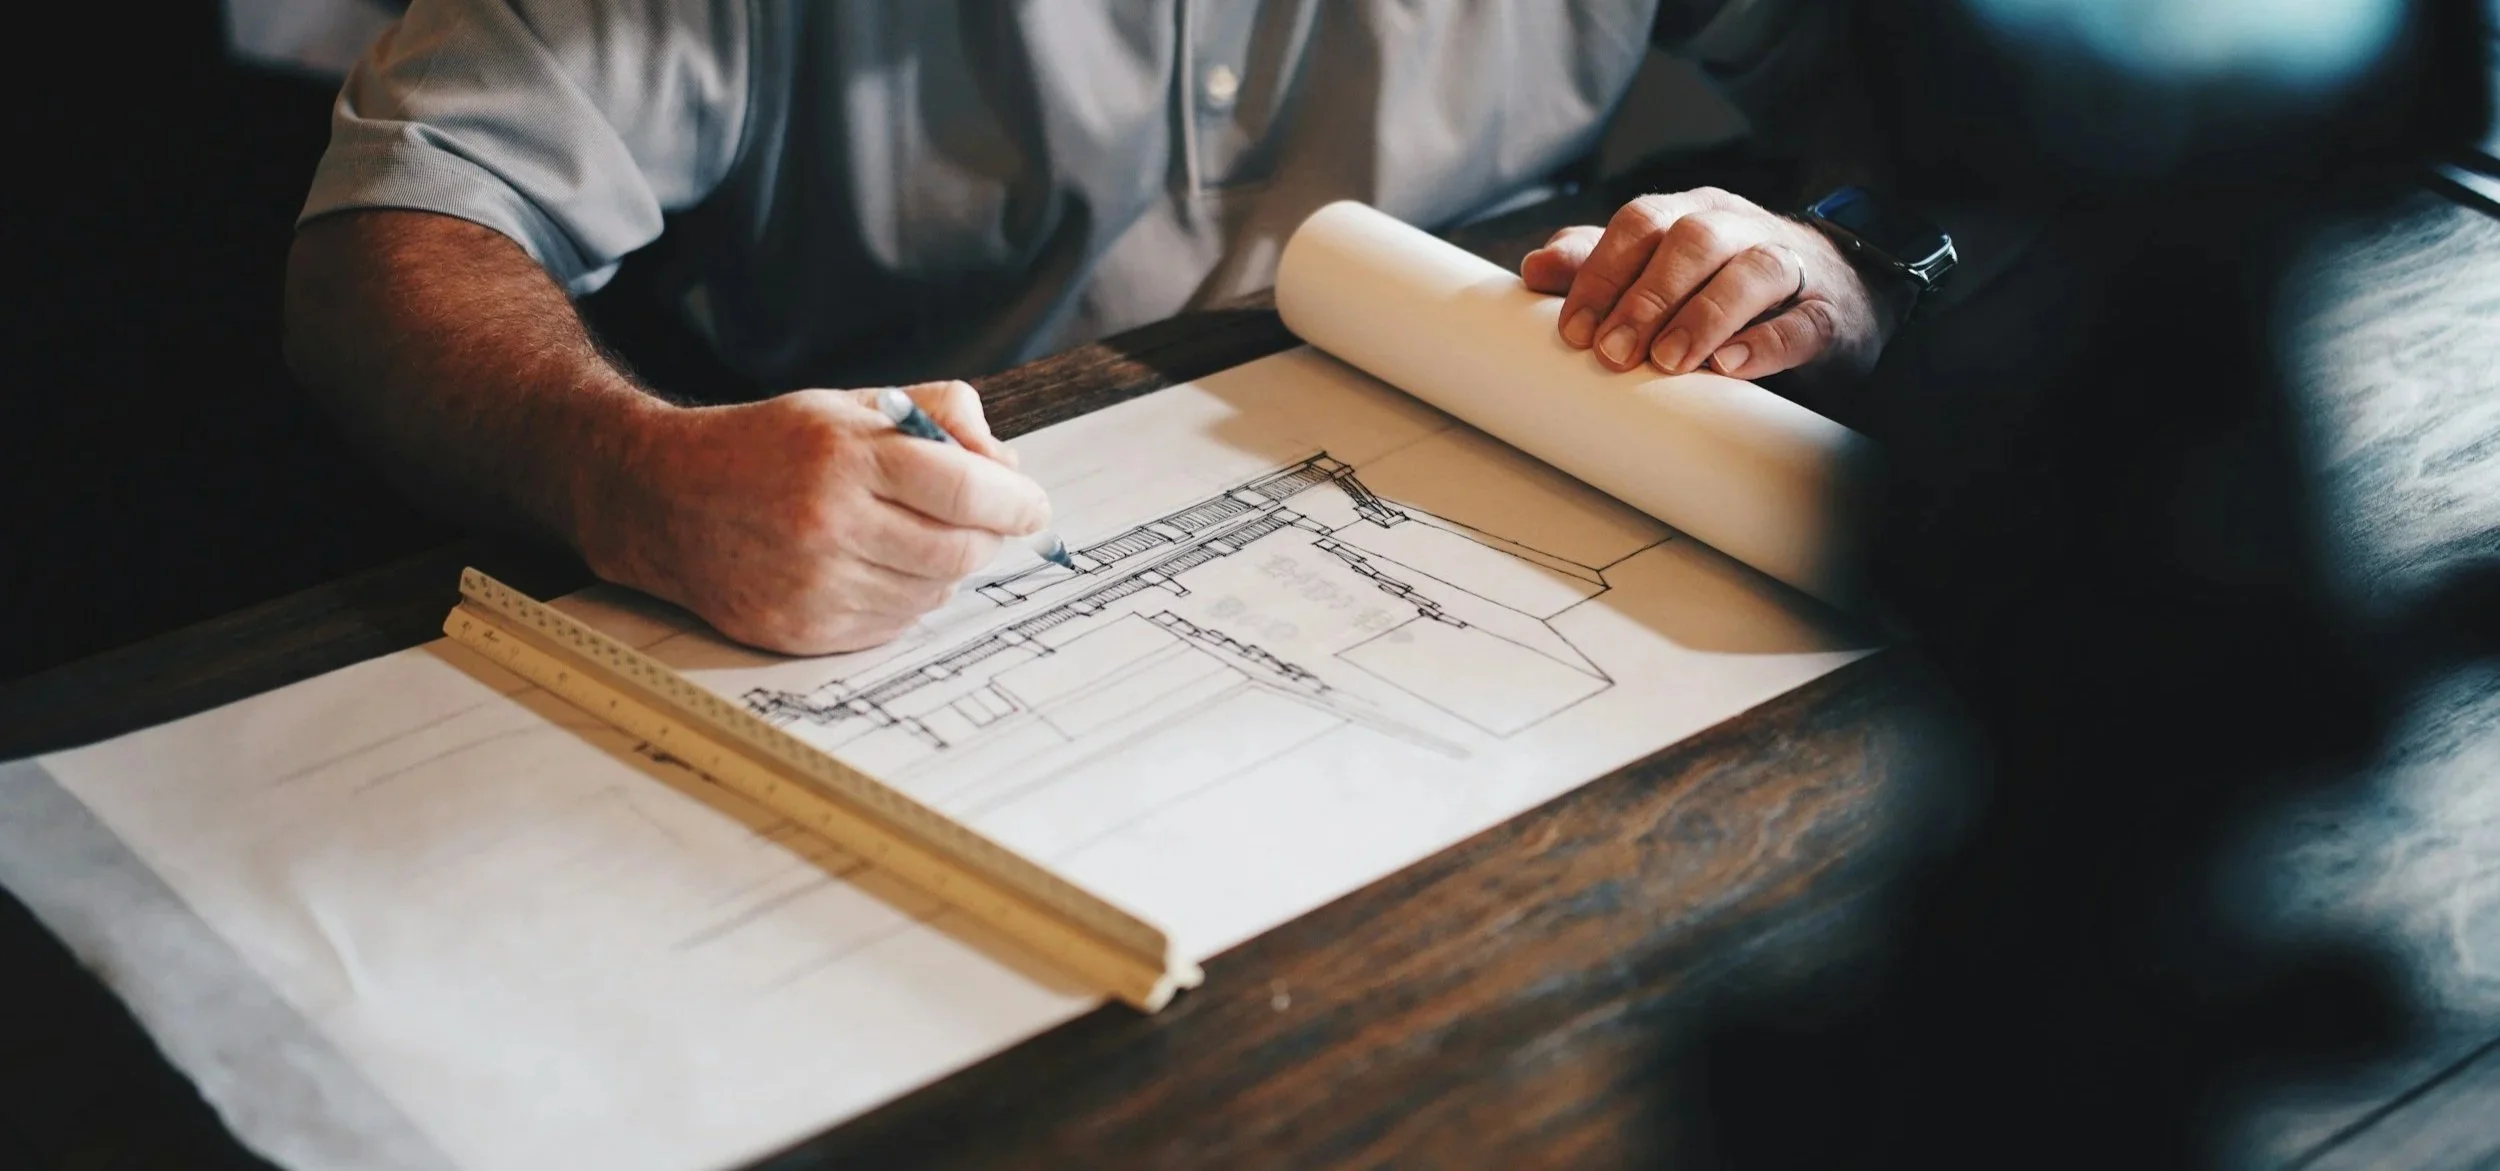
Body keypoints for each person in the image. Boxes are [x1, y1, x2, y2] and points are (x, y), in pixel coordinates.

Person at [284, 0, 1907, 654]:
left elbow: (1977, 123)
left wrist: (1844, 264)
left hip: (1549, 522)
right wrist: (626, 470)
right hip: (904, 563)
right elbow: (398, 232)